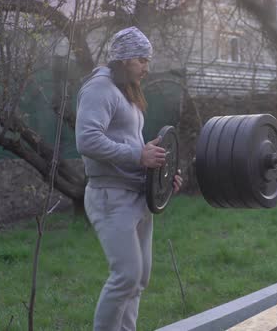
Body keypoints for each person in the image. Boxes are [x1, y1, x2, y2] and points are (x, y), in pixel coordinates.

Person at [75, 26, 183, 331]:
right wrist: (139, 157)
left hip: (137, 196)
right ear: (123, 60)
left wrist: (162, 175)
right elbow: (87, 140)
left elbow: (135, 143)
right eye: (141, 60)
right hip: (110, 196)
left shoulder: (127, 90)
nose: (147, 67)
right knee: (126, 276)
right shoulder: (100, 89)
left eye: (147, 60)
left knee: (139, 279)